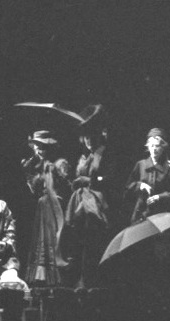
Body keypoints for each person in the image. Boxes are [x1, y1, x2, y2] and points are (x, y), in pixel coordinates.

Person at [63, 104, 119, 288]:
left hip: (97, 202)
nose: (88, 141)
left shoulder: (106, 153)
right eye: (85, 137)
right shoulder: (84, 156)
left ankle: (90, 280)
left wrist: (88, 180)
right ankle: (78, 278)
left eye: (91, 136)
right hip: (80, 200)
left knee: (92, 240)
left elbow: (109, 179)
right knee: (77, 239)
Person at [22, 130, 72, 286]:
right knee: (42, 240)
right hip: (42, 205)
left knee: (54, 239)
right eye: (37, 146)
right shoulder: (36, 165)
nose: (39, 149)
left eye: (42, 146)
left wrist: (54, 173)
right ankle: (42, 278)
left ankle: (57, 277)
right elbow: (34, 189)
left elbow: (66, 186)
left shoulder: (60, 163)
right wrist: (30, 172)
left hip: (55, 205)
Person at [124, 128, 170, 224]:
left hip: (161, 213)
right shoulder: (141, 164)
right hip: (141, 213)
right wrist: (140, 185)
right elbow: (128, 186)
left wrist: (159, 197)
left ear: (163, 147)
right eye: (151, 145)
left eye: (157, 146)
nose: (154, 149)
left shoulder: (169, 167)